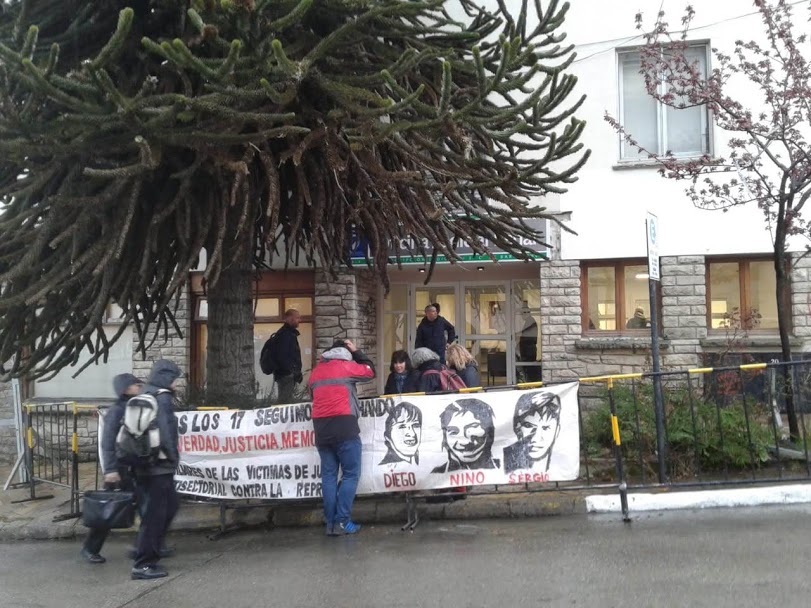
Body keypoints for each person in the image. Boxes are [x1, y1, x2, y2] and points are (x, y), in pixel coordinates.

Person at [308, 339, 375, 536]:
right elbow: (370, 370)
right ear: (346, 353)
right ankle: (343, 521)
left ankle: (330, 523)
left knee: (328, 476)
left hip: (321, 428)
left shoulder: (316, 371)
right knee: (351, 474)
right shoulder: (347, 366)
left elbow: (312, 394)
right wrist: (357, 351)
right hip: (345, 426)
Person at [81, 373, 143, 564]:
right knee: (107, 510)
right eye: (135, 384)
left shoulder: (134, 407)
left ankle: (148, 546)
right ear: (126, 389)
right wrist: (110, 470)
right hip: (120, 469)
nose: (139, 386)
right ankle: (90, 547)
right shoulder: (117, 411)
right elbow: (107, 442)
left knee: (147, 506)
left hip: (134, 467)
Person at [131, 359, 181, 581]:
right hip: (159, 465)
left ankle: (152, 547)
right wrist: (173, 458)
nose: (175, 383)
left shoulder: (145, 393)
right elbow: (167, 431)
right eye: (174, 378)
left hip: (142, 462)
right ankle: (143, 563)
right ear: (166, 377)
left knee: (169, 506)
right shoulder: (162, 397)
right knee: (156, 514)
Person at [431, 399, 499, 473]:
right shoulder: (435, 475)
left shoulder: (504, 469)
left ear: (489, 429)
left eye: (472, 428)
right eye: (453, 432)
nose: (465, 442)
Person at [503, 391, 562, 473]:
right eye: (529, 426)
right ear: (517, 428)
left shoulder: (561, 466)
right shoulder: (500, 462)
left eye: (545, 428)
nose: (536, 438)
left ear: (557, 431)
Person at [269, 309, 303, 404]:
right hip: (286, 375)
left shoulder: (288, 333)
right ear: (290, 318)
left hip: (286, 375)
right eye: (297, 318)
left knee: (286, 401)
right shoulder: (285, 334)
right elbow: (283, 356)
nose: (299, 320)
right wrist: (292, 372)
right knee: (285, 402)